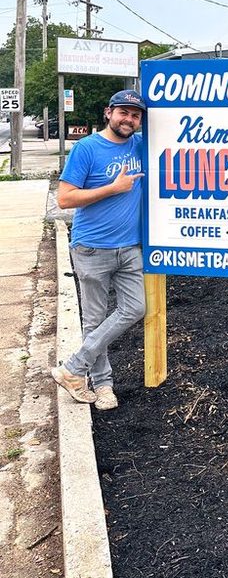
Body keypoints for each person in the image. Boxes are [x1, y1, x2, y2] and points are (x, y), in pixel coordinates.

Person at [51, 89, 147, 410]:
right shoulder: (87, 148)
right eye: (123, 113)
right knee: (94, 320)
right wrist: (113, 188)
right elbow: (65, 199)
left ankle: (73, 368)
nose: (128, 119)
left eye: (135, 115)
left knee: (135, 308)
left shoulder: (140, 145)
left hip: (130, 247)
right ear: (109, 113)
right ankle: (102, 386)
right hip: (92, 248)